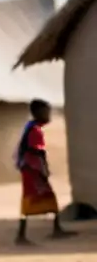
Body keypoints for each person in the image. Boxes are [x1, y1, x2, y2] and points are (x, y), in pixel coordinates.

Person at [15, 99, 76, 245]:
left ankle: (55, 228)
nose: (48, 115)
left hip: (31, 168)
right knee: (31, 200)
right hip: (33, 169)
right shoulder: (35, 130)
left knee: (46, 197)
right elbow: (37, 152)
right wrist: (44, 168)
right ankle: (21, 235)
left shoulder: (31, 128)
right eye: (46, 112)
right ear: (37, 113)